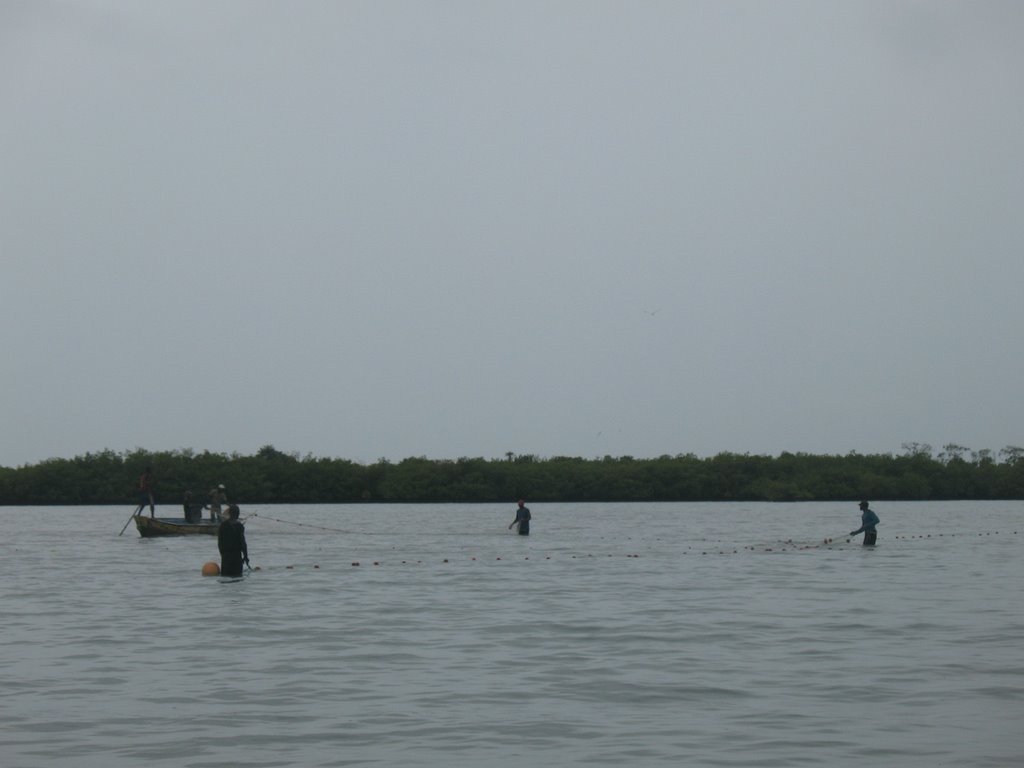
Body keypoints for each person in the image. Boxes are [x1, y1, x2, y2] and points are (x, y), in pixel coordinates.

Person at [218, 504, 249, 577]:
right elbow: (243, 543)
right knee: (237, 577)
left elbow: (220, 542)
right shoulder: (239, 526)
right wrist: (246, 557)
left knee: (225, 577)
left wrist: (223, 555)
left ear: (229, 513)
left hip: (226, 557)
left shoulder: (223, 525)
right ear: (238, 514)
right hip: (237, 557)